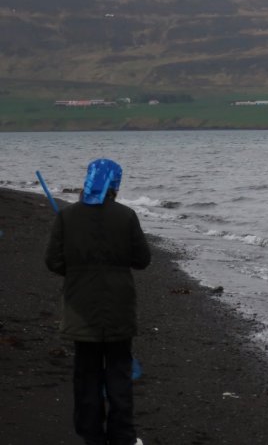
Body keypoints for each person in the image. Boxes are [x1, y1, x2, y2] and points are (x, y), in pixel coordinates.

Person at [44, 158, 151, 445]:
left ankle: (92, 437)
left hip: (81, 307)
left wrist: (78, 270)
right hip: (119, 307)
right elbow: (142, 259)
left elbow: (53, 261)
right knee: (119, 373)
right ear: (115, 184)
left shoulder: (67, 217)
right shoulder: (126, 216)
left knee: (86, 375)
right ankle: (123, 437)